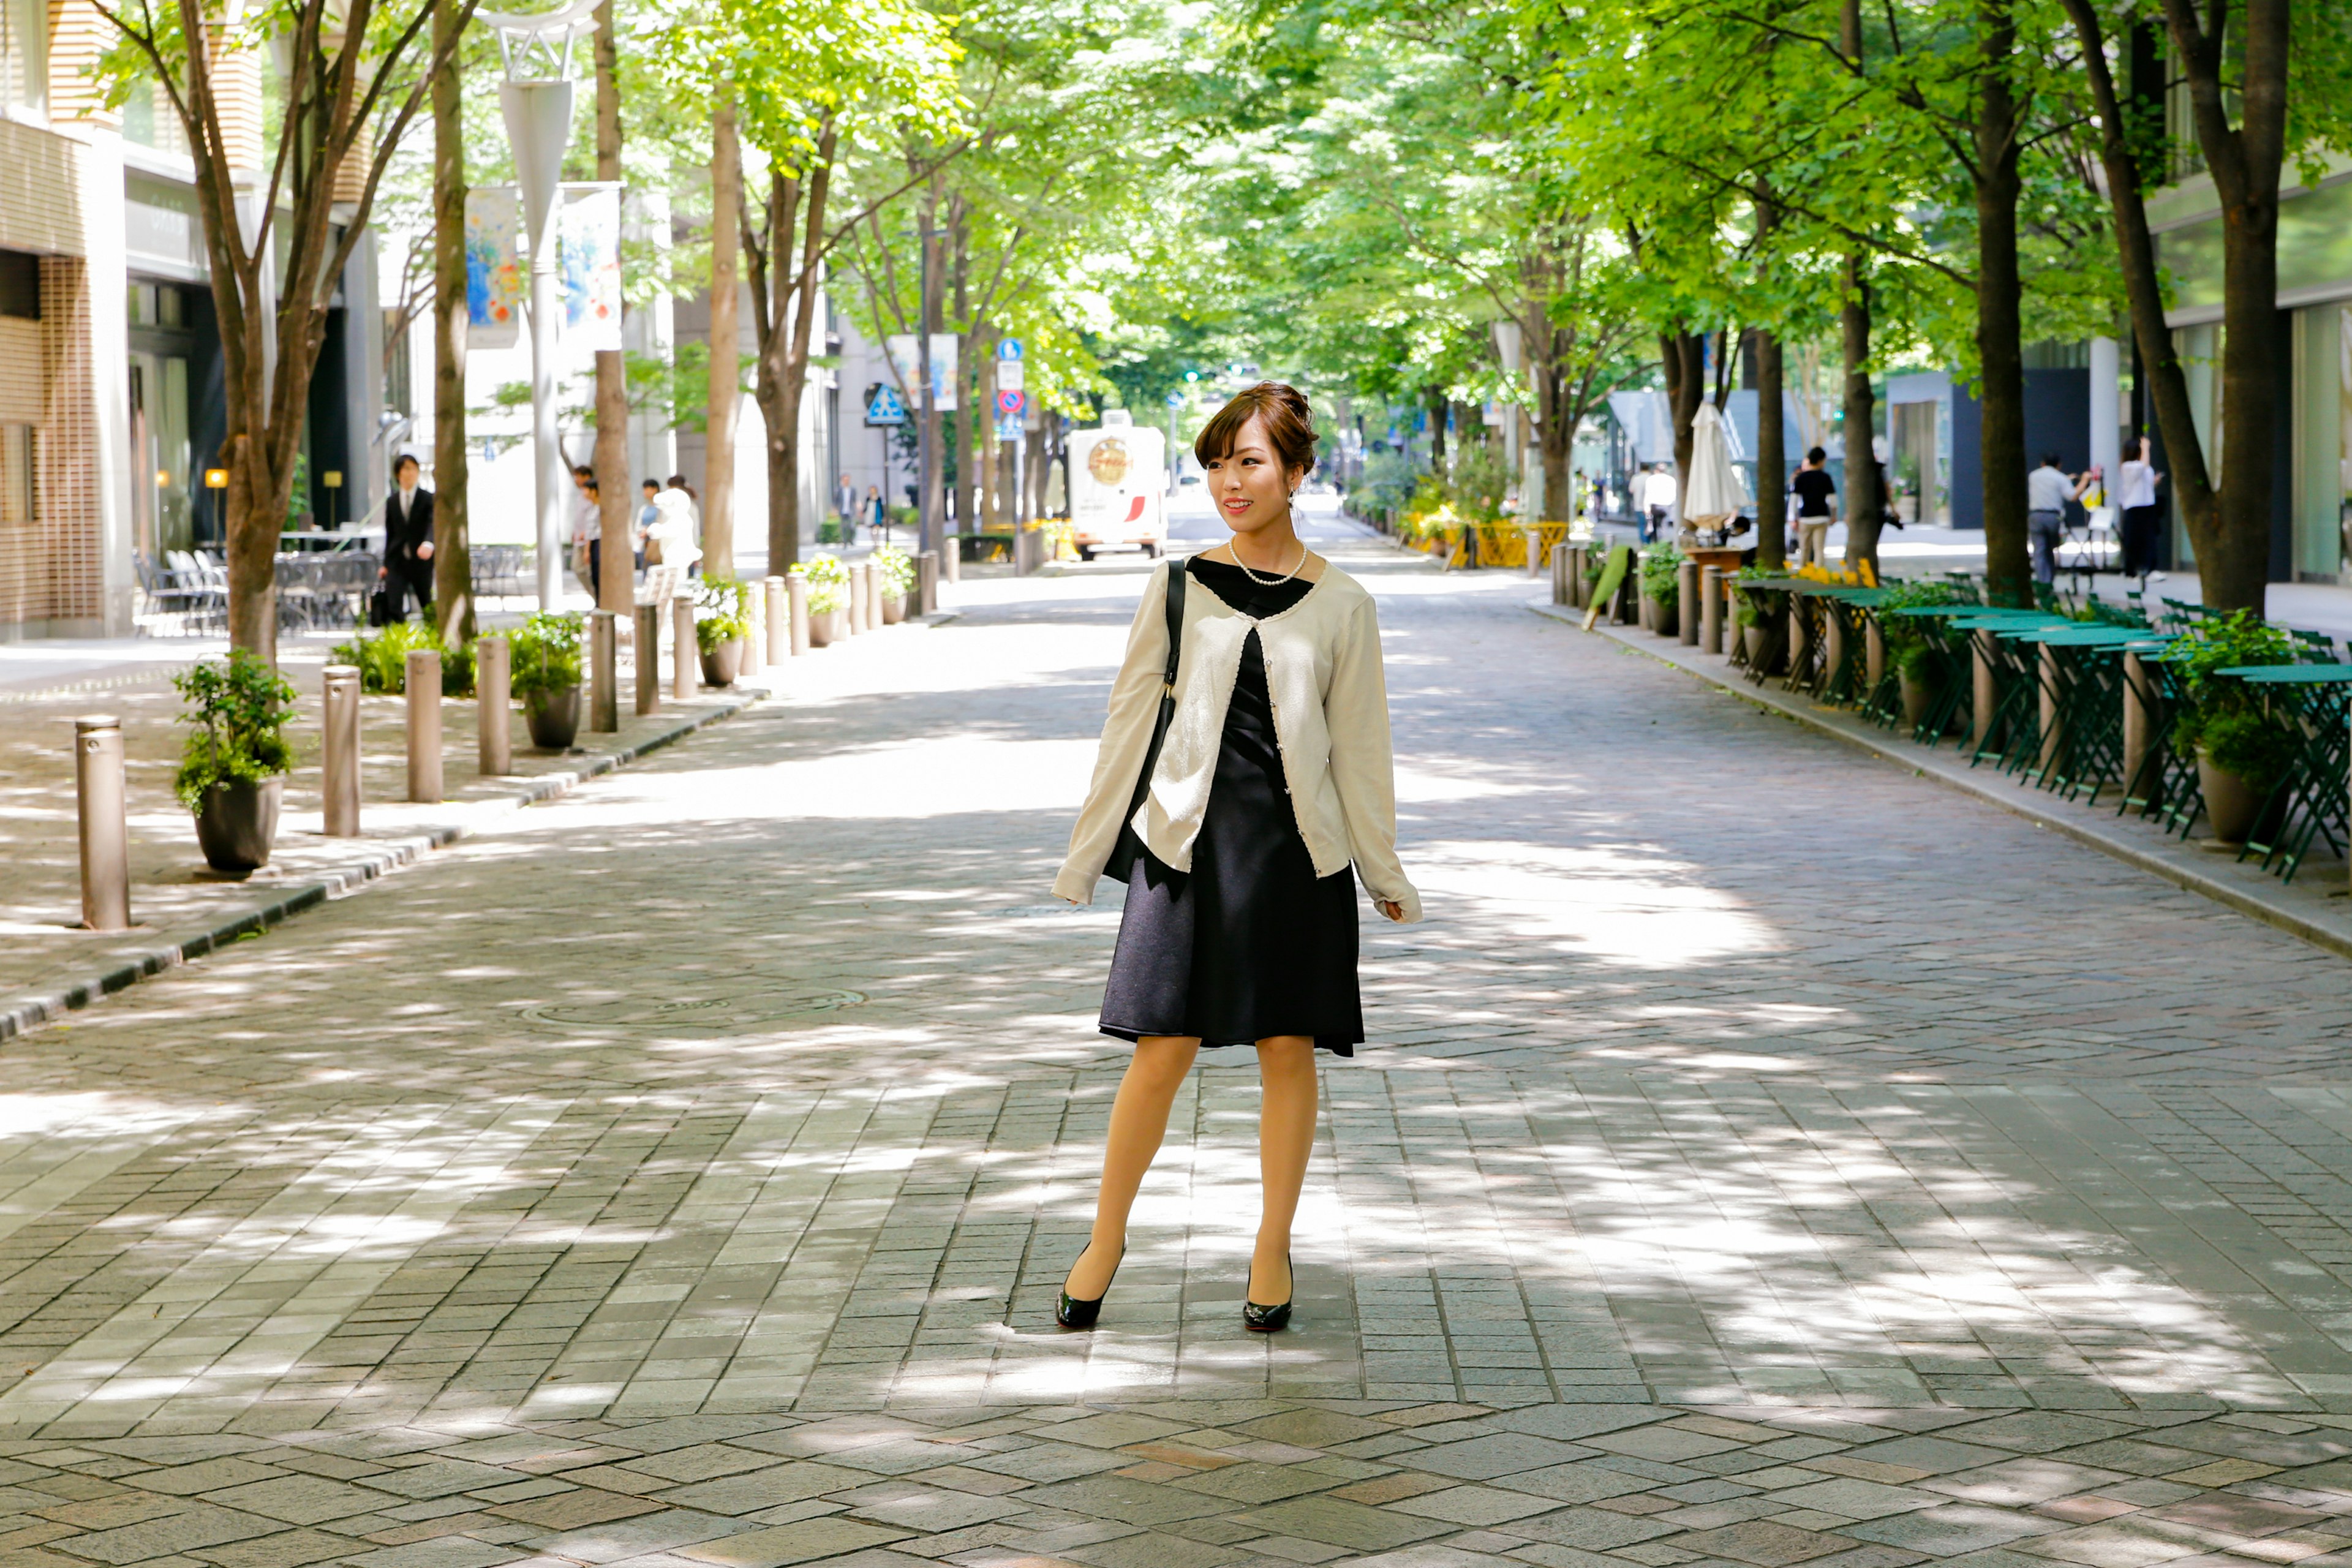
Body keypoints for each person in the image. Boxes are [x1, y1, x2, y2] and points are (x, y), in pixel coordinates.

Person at [1052, 382, 1420, 1336]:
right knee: (1158, 1050)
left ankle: (1271, 1246)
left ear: (1298, 473)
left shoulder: (1345, 605)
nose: (1230, 480)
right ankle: (1105, 1239)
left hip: (1296, 857)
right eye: (1218, 462)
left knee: (1285, 1048)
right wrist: (1088, 854)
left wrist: (1381, 870)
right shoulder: (1179, 585)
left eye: (1250, 461)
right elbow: (1127, 724)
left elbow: (1362, 750)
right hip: (1181, 848)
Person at [378, 453, 434, 622]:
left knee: (426, 602)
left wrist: (429, 543)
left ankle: (432, 638)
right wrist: (386, 564)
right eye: (406, 469)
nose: (410, 473)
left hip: (421, 560)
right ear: (398, 474)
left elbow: (433, 524)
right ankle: (399, 638)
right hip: (397, 560)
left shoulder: (427, 498)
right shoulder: (392, 501)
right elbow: (390, 532)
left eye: (413, 469)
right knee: (394, 602)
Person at [2027, 452, 2097, 587]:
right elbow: (2072, 496)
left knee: (2040, 550)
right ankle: (2050, 578)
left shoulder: (2033, 476)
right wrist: (2085, 480)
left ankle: (2044, 582)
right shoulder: (2060, 478)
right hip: (2053, 517)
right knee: (2051, 548)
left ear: (2043, 464)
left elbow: (2048, 483)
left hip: (2035, 516)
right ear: (2059, 465)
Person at [2117, 435, 2165, 582]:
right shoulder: (2128, 466)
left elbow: (2145, 478)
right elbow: (2142, 467)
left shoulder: (2144, 466)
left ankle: (2149, 568)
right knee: (2135, 539)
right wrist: (2145, 448)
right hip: (2135, 505)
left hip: (2148, 504)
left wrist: (2154, 482)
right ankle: (2136, 569)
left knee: (2149, 538)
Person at [1791, 447, 1838, 567]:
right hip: (1822, 516)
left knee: (1804, 549)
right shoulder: (1825, 477)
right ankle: (1819, 574)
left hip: (1805, 517)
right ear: (1820, 461)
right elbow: (1833, 500)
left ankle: (1803, 572)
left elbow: (1794, 501)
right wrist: (1834, 515)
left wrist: (1793, 518)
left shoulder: (1801, 478)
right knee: (1819, 549)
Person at [568, 464, 605, 599]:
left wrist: (586, 539)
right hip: (581, 539)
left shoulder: (595, 501)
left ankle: (599, 599)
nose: (576, 480)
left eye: (578, 477)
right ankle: (596, 598)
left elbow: (593, 524)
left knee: (590, 571)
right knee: (580, 569)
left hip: (590, 540)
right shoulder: (582, 496)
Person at [1640, 464, 1675, 541]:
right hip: (1667, 505)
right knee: (1664, 526)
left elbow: (1648, 494)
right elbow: (1674, 495)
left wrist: (1646, 507)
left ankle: (1655, 542)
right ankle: (1663, 542)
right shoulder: (1671, 480)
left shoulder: (1651, 479)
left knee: (1654, 525)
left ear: (1656, 470)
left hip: (1655, 506)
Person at [637, 479, 662, 574]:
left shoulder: (660, 508)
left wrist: (649, 530)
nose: (645, 492)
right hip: (645, 543)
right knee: (646, 568)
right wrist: (643, 531)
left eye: (648, 489)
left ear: (655, 489)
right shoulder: (644, 508)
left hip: (657, 542)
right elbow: (638, 526)